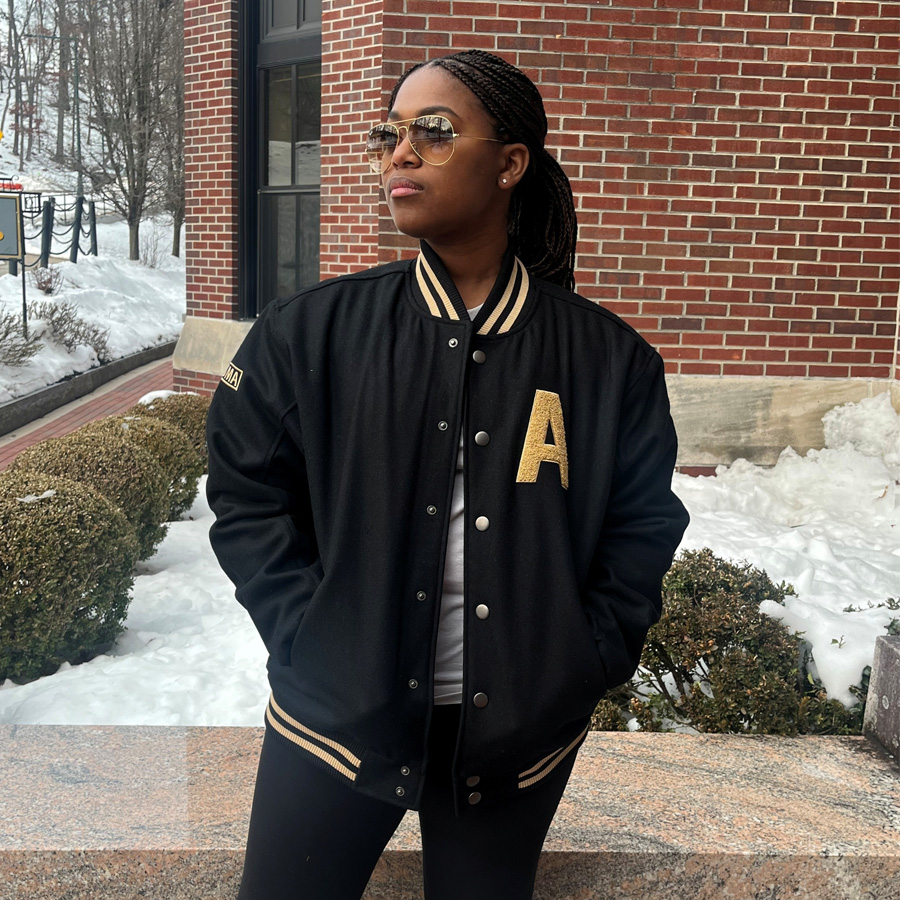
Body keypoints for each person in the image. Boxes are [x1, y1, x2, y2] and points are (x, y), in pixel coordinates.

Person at [205, 49, 689, 900]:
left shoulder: (610, 362)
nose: (400, 152)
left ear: (510, 163)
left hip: (514, 746)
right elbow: (247, 494)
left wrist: (580, 659)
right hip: (331, 728)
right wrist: (312, 636)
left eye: (433, 132)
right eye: (388, 133)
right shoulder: (309, 333)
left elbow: (642, 526)